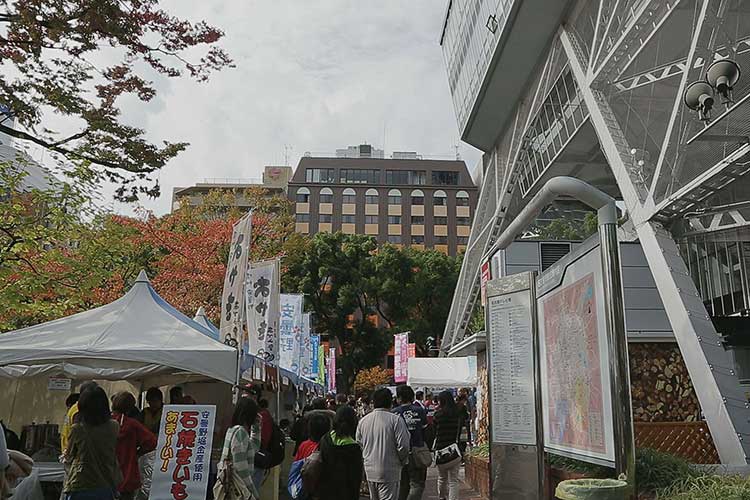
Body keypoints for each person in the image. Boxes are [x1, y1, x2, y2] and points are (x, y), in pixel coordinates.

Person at [63, 386, 120, 500]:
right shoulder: (114, 426)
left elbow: (69, 455)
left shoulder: (77, 429)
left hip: (81, 483)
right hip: (106, 481)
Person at [356, 388, 410, 500]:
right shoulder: (396, 420)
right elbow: (403, 446)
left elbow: (359, 445)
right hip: (390, 469)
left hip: (370, 470)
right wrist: (402, 461)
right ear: (390, 402)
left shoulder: (363, 421)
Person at [111, 392, 157, 500]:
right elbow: (152, 442)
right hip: (128, 474)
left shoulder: (103, 422)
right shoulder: (132, 424)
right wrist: (138, 452)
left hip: (105, 475)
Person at [219, 397, 262, 498]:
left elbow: (254, 448)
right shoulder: (240, 432)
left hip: (230, 486)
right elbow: (241, 469)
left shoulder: (232, 430)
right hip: (237, 489)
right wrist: (253, 492)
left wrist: (256, 428)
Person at [318, 406, 363, 500]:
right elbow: (355, 479)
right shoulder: (354, 448)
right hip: (345, 493)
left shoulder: (326, 439)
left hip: (325, 491)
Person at [392, 385, 429, 500]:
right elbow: (426, 431)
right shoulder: (419, 411)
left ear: (399, 398)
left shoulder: (394, 413)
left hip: (399, 453)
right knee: (417, 483)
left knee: (402, 484)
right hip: (417, 451)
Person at [433, 391, 462, 500]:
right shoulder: (456, 414)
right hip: (454, 450)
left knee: (441, 478)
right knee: (453, 480)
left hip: (441, 451)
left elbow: (434, 432)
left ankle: (442, 497)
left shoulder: (438, 415)